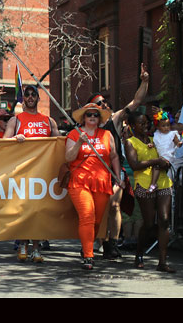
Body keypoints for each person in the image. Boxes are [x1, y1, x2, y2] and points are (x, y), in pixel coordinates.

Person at [87, 63, 149, 259]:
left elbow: (136, 102)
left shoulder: (114, 120)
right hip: (94, 171)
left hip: (114, 170)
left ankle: (112, 244)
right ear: (91, 110)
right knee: (98, 208)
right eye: (99, 103)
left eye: (105, 102)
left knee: (114, 205)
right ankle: (97, 241)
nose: (104, 105)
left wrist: (144, 81)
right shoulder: (86, 126)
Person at [64, 102, 123, 271]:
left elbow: (114, 156)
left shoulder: (107, 134)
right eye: (89, 114)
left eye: (95, 115)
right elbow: (68, 157)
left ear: (99, 118)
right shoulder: (74, 134)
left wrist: (118, 177)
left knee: (96, 220)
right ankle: (89, 256)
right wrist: (78, 143)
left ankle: (86, 244)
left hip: (102, 181)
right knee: (87, 216)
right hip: (80, 180)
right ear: (83, 117)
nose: (92, 117)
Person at [4, 84, 59, 263]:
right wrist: (14, 139)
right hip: (22, 171)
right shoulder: (15, 120)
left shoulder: (49, 121)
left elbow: (58, 143)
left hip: (42, 173)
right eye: (26, 94)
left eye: (33, 94)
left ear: (38, 98)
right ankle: (22, 243)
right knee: (23, 209)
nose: (29, 97)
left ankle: (36, 248)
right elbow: (3, 143)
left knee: (38, 211)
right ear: (23, 98)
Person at [124, 111, 175, 272]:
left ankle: (162, 261)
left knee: (165, 219)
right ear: (132, 126)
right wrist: (155, 161)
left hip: (163, 181)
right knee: (149, 222)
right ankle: (139, 254)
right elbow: (134, 165)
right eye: (141, 123)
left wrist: (166, 162)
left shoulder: (156, 139)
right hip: (144, 184)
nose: (146, 126)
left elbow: (167, 154)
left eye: (147, 123)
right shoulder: (130, 142)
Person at [150, 110, 182, 192]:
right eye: (163, 126)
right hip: (160, 157)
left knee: (160, 169)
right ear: (158, 127)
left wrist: (178, 143)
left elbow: (177, 142)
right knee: (156, 167)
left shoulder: (172, 134)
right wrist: (151, 145)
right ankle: (154, 184)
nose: (166, 127)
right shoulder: (157, 134)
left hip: (169, 157)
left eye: (168, 125)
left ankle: (155, 185)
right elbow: (155, 143)